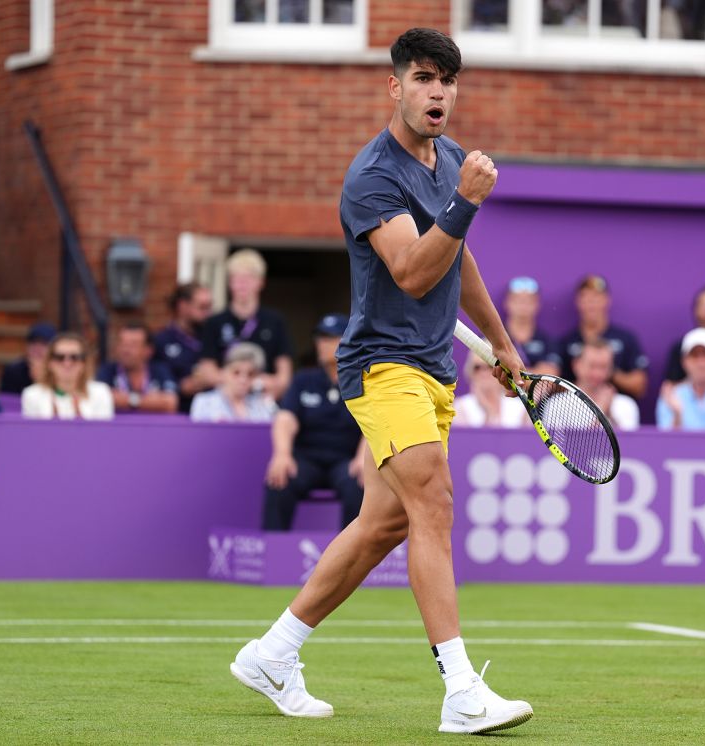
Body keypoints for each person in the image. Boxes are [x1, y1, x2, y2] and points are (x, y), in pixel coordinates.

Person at [228, 28, 533, 736]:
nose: (438, 93)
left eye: (448, 81)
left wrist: (501, 342)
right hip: (380, 365)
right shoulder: (371, 175)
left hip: (434, 368)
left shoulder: (451, 159)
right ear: (395, 87)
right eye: (424, 79)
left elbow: (458, 265)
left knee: (384, 524)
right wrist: (465, 203)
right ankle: (460, 691)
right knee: (434, 500)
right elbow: (412, 270)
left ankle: (273, 653)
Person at [264, 313, 367, 530]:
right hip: (307, 459)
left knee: (360, 484)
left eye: (329, 338)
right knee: (279, 480)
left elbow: (374, 424)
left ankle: (350, 559)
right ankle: (273, 553)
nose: (322, 344)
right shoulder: (304, 379)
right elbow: (285, 418)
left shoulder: (362, 380)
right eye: (320, 338)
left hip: (345, 460)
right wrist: (282, 454)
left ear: (347, 341)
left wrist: (362, 458)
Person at [196, 249, 294, 402]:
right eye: (237, 279)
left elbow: (284, 376)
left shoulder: (275, 321)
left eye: (248, 279)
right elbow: (207, 371)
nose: (242, 285)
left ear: (261, 282)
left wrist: (259, 382)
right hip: (224, 403)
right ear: (229, 283)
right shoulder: (215, 322)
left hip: (262, 401)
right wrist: (239, 380)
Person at [556, 274, 648, 400]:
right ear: (578, 301)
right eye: (586, 297)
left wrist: (604, 370)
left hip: (616, 403)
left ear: (607, 300)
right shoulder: (566, 342)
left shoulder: (626, 339)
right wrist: (583, 380)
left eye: (596, 297)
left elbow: (639, 385)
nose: (591, 303)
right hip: (573, 405)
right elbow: (552, 384)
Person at [21, 333, 114, 420]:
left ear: (84, 363)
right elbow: (33, 434)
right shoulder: (32, 394)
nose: (67, 363)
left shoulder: (101, 392)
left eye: (75, 357)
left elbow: (102, 433)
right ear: (49, 363)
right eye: (59, 357)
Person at [154, 282, 213, 413]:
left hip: (211, 414)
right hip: (176, 414)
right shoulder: (161, 341)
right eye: (202, 307)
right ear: (183, 306)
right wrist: (180, 386)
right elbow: (152, 380)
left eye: (209, 307)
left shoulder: (214, 337)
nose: (208, 313)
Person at [96, 322, 179, 414]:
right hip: (116, 427)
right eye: (122, 344)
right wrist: (151, 401)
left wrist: (129, 400)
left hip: (153, 427)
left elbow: (170, 403)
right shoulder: (107, 371)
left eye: (133, 345)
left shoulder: (160, 370)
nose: (126, 350)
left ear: (148, 350)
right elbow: (100, 400)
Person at [189, 342, 279, 423]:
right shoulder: (204, 402)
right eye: (236, 372)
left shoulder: (262, 404)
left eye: (250, 374)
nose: (243, 379)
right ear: (224, 372)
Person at [570, 338, 640, 431]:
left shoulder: (627, 405)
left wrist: (609, 413)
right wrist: (601, 413)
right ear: (576, 365)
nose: (597, 373)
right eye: (592, 366)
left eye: (603, 366)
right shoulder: (557, 405)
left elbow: (629, 443)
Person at [453, 348, 529, 427]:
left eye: (490, 366)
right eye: (477, 367)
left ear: (502, 371)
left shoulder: (521, 408)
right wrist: (489, 413)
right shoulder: (460, 407)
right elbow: (464, 439)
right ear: (470, 372)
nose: (484, 372)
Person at [503, 275, 560, 377]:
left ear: (537, 304)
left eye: (529, 300)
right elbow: (485, 373)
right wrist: (537, 371)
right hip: (499, 393)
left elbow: (551, 377)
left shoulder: (546, 340)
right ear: (507, 302)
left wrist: (510, 372)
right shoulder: (493, 336)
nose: (523, 304)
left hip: (538, 393)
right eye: (518, 300)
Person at [0, 322, 56, 394]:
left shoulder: (58, 371)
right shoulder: (13, 371)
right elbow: (8, 401)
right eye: (33, 343)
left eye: (43, 344)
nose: (37, 348)